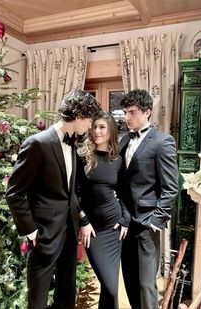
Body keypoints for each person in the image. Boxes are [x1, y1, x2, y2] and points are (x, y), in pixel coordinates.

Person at [5, 89, 101, 309]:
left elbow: (70, 193)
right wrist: (31, 231)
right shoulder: (37, 144)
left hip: (69, 231)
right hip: (44, 235)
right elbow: (14, 193)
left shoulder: (73, 144)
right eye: (89, 120)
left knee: (66, 294)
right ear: (78, 115)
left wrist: (83, 220)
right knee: (38, 300)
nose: (90, 127)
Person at [118, 89, 178, 309]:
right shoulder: (124, 140)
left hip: (146, 224)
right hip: (125, 224)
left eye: (132, 112)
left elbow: (171, 188)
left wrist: (156, 220)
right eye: (125, 112)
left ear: (147, 112)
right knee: (130, 279)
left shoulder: (162, 142)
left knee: (146, 285)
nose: (127, 117)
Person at [77, 111, 130, 309]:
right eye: (95, 126)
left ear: (111, 131)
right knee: (110, 286)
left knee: (111, 289)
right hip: (93, 231)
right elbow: (73, 194)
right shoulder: (82, 157)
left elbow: (123, 193)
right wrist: (83, 221)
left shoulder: (117, 160)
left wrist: (126, 219)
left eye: (102, 127)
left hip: (114, 228)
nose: (97, 131)